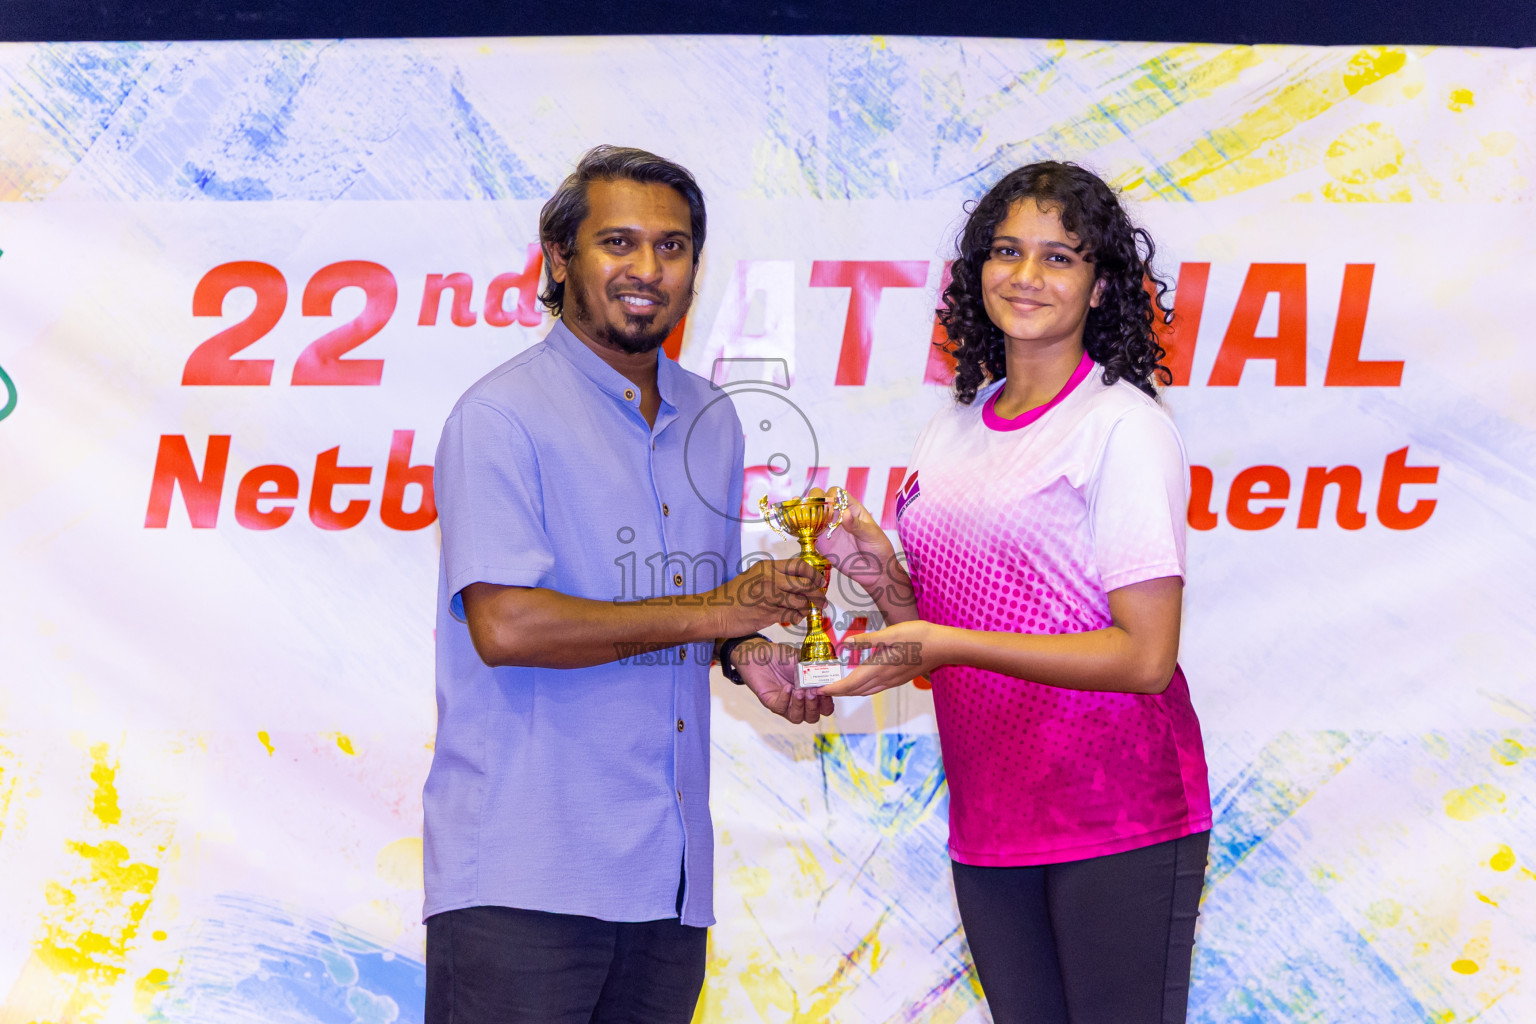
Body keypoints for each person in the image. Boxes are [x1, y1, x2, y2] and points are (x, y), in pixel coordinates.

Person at [422, 145, 832, 1024]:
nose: (648, 270)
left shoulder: (712, 423)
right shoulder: (499, 416)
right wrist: (723, 608)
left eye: (673, 247)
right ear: (560, 258)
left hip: (668, 886)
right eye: (618, 242)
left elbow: (697, 602)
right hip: (522, 885)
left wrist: (746, 647)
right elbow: (509, 628)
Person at [810, 161, 1212, 1024]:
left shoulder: (1124, 427)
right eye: (1005, 251)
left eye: (1059, 258)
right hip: (992, 816)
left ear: (1102, 287)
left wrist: (946, 645)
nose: (1025, 277)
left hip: (1118, 812)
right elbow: (933, 635)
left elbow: (1144, 657)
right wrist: (874, 566)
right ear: (976, 271)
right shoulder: (952, 425)